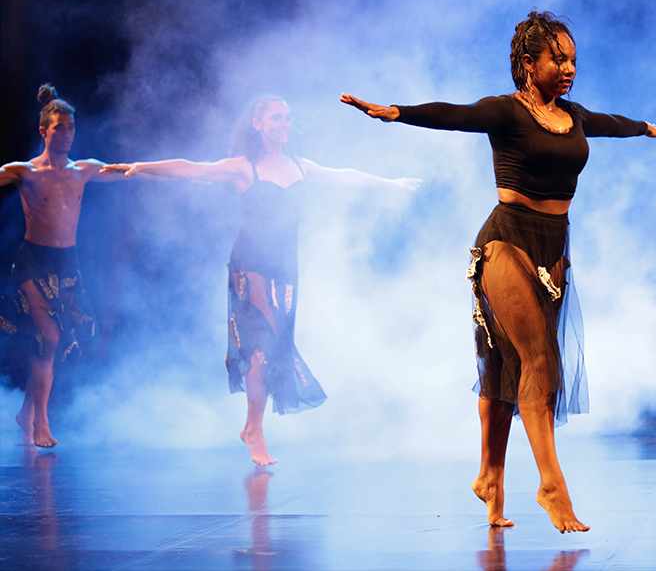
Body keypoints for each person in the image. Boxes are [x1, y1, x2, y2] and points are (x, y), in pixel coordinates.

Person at [341, 11, 656, 533]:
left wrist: (642, 128)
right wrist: (397, 112)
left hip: (552, 250)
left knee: (504, 363)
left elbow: (608, 123)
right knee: (538, 357)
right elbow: (454, 115)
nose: (568, 68)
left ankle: (490, 478)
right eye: (557, 59)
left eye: (573, 60)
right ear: (528, 63)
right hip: (505, 242)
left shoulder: (573, 115)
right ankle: (551, 485)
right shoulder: (507, 112)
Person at [102, 96, 419, 465]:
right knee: (262, 343)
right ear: (258, 124)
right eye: (276, 118)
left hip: (285, 265)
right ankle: (254, 430)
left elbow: (345, 175)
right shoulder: (243, 167)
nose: (284, 124)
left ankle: (252, 427)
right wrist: (141, 167)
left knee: (274, 347)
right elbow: (192, 169)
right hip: (250, 261)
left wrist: (390, 183)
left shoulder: (300, 166)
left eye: (287, 118)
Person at [0, 84, 127, 448]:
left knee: (59, 341)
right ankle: (40, 420)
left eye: (71, 128)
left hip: (67, 263)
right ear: (44, 131)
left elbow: (127, 171)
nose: (68, 134)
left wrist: (161, 173)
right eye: (60, 128)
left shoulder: (83, 169)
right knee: (49, 336)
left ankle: (27, 411)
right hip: (33, 261)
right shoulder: (24, 171)